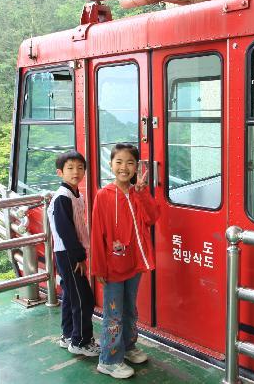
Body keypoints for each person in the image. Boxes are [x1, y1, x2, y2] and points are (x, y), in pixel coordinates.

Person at [91, 143, 160, 379]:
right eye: (119, 162)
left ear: (136, 167)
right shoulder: (103, 195)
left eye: (130, 163)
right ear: (110, 165)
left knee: (130, 310)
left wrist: (142, 192)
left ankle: (128, 347)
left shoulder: (136, 193)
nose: (124, 167)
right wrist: (98, 267)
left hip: (134, 265)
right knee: (114, 314)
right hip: (112, 268)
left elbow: (152, 218)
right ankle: (109, 360)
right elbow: (97, 234)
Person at [47, 150, 100, 357]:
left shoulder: (75, 194)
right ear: (60, 172)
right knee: (84, 299)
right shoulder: (63, 197)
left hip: (71, 254)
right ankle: (81, 341)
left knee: (71, 295)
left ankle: (68, 334)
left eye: (80, 168)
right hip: (69, 255)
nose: (76, 172)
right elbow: (65, 230)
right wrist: (79, 256)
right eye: (70, 168)